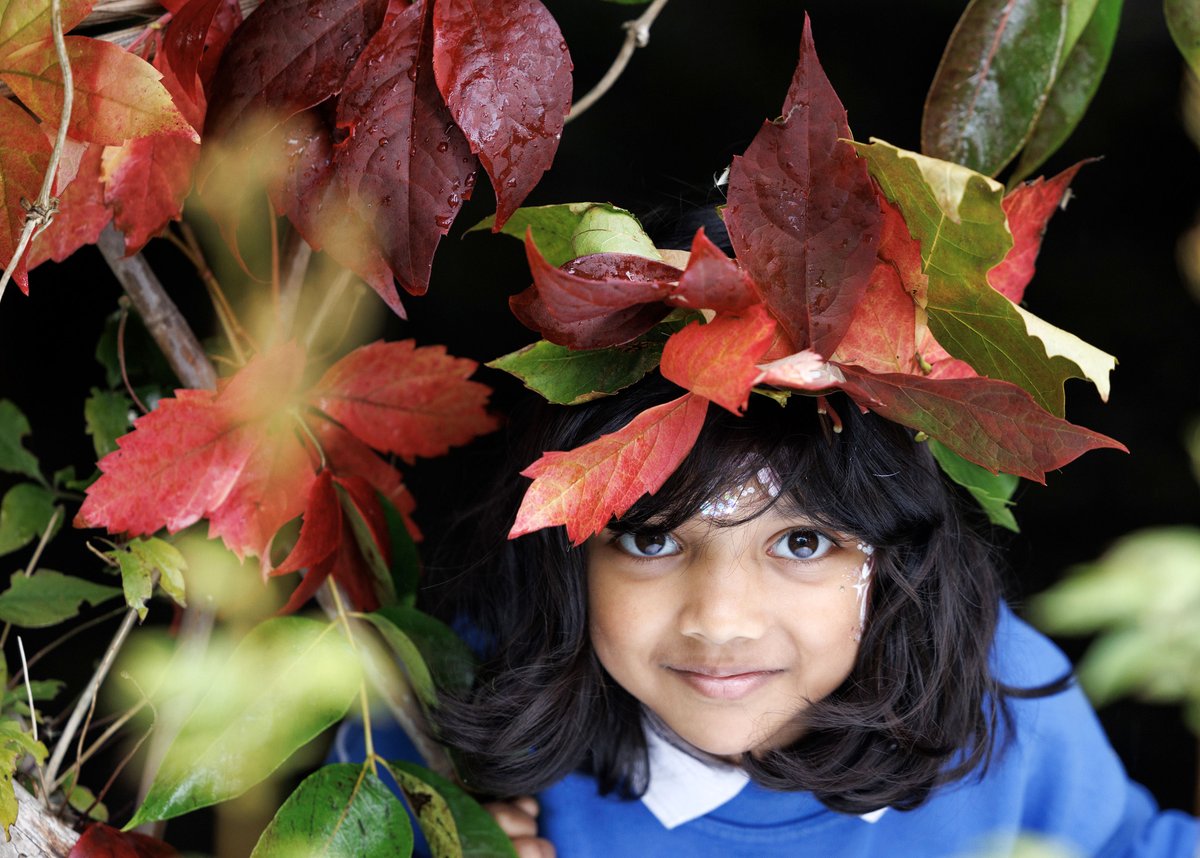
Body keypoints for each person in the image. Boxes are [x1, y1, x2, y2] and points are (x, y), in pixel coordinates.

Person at [333, 374, 1200, 857]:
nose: (720, 621)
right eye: (648, 539)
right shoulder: (450, 710)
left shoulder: (999, 696)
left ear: (899, 558)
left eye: (803, 545)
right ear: (566, 551)